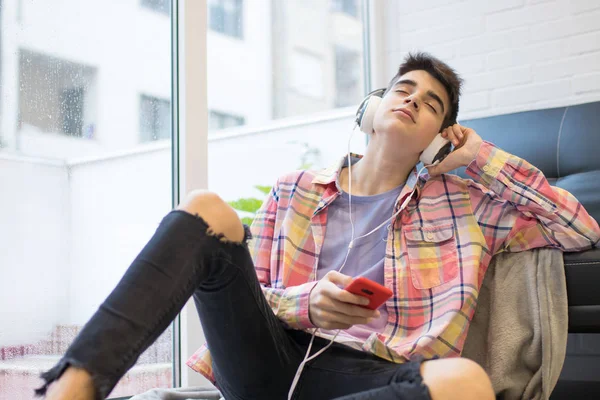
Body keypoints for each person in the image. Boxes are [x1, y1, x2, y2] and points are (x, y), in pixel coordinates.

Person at [38, 53, 600, 400]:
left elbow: (581, 230)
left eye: (431, 104)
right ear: (370, 109)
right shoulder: (294, 190)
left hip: (371, 374)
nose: (412, 100)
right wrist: (306, 304)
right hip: (269, 356)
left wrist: (479, 157)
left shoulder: (469, 205)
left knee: (466, 384)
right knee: (207, 208)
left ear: (439, 135)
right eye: (402, 88)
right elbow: (252, 296)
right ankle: (75, 385)